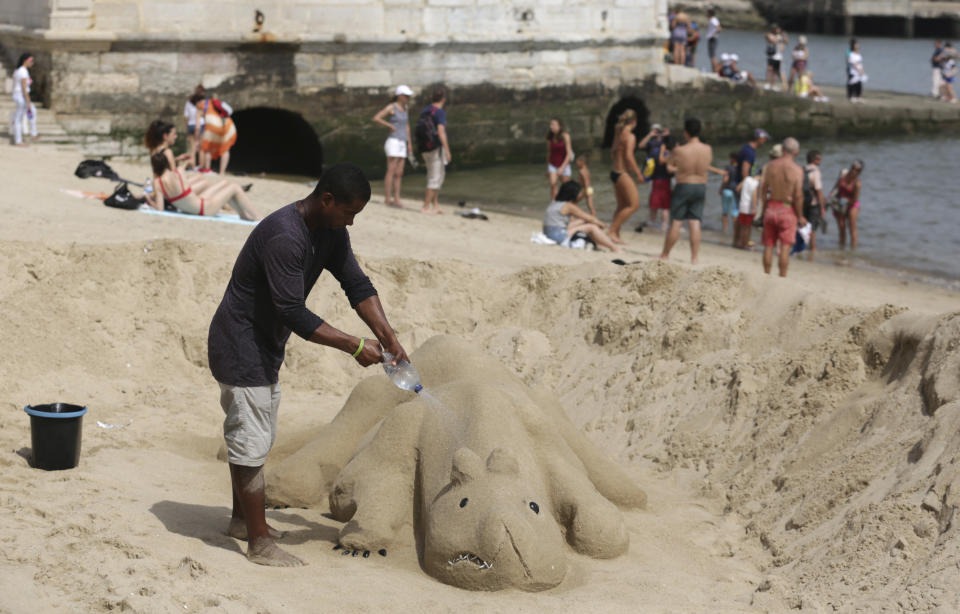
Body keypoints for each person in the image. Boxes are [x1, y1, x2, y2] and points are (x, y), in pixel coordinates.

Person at [207, 163, 408, 566]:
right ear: (327, 199)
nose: (351, 223)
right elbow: (293, 312)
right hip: (240, 343)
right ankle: (260, 543)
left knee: (253, 433)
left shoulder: (332, 232)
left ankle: (242, 521)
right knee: (252, 437)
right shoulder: (285, 236)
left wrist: (387, 335)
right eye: (349, 213)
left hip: (263, 345)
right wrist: (355, 346)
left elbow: (356, 284)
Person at [659, 117, 712, 264]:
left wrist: (678, 168)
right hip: (701, 186)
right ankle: (694, 258)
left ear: (686, 132)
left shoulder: (679, 150)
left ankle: (665, 255)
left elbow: (669, 167)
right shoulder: (707, 149)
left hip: (684, 185)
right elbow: (706, 166)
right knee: (695, 222)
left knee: (676, 221)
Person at [148, 150, 259, 220]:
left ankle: (242, 214)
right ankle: (258, 218)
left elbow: (160, 208)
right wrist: (187, 163)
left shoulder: (158, 182)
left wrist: (150, 201)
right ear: (167, 163)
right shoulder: (178, 172)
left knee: (225, 184)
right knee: (234, 187)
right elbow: (185, 185)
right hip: (204, 209)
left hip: (196, 205)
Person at [759, 138, 806, 277]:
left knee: (768, 244)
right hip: (787, 209)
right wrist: (800, 215)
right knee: (785, 247)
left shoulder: (770, 166)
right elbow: (798, 195)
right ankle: (782, 277)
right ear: (796, 152)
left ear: (783, 149)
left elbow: (763, 189)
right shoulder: (797, 170)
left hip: (771, 206)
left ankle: (766, 275)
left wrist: (764, 207)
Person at [542, 181, 622, 253]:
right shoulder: (569, 206)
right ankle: (614, 248)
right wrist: (603, 225)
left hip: (549, 232)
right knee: (591, 227)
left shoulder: (555, 202)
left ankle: (598, 243)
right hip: (558, 235)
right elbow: (590, 218)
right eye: (580, 193)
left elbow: (580, 219)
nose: (581, 195)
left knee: (583, 221)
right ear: (573, 194)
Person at [373, 85, 414, 208]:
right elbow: (376, 118)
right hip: (393, 141)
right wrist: (389, 126)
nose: (408, 98)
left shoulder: (405, 108)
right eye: (406, 96)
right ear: (400, 95)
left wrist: (409, 143)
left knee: (399, 172)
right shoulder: (391, 107)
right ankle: (387, 199)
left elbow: (407, 126)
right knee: (391, 171)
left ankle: (396, 199)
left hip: (402, 142)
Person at [607, 109, 644, 244]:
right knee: (634, 205)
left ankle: (615, 235)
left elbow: (612, 153)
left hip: (614, 172)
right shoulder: (630, 136)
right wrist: (638, 173)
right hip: (622, 173)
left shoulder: (618, 133)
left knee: (622, 205)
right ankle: (611, 230)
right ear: (634, 122)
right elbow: (629, 156)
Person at [732, 129, 769, 248]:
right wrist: (745, 182)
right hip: (744, 185)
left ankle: (737, 241)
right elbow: (745, 169)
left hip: (742, 183)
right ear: (760, 139)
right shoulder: (750, 151)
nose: (765, 141)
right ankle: (741, 242)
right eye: (764, 139)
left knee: (740, 215)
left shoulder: (747, 148)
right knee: (745, 216)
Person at [419, 86, 450, 215]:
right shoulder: (439, 112)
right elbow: (441, 132)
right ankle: (425, 207)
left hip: (425, 148)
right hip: (435, 148)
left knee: (438, 175)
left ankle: (435, 204)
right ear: (444, 99)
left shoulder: (426, 110)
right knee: (434, 177)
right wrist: (448, 150)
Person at [638, 124, 671, 231]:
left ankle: (664, 225)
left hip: (666, 176)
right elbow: (640, 145)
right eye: (655, 130)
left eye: (658, 130)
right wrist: (649, 135)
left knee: (666, 203)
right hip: (653, 177)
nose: (657, 132)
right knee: (653, 202)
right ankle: (651, 223)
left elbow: (677, 148)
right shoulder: (651, 143)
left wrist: (668, 136)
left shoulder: (666, 142)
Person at [197, 88, 237, 174]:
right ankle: (222, 172)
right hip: (227, 124)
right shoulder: (217, 102)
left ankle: (207, 169)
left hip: (213, 125)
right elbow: (230, 111)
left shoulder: (202, 104)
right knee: (225, 148)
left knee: (208, 148)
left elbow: (198, 124)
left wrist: (197, 137)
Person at [830, 159, 864, 249]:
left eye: (856, 170)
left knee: (852, 228)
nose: (853, 171)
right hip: (839, 204)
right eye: (852, 168)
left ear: (859, 172)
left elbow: (854, 199)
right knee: (841, 227)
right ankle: (841, 249)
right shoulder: (843, 176)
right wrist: (829, 198)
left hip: (852, 205)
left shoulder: (857, 184)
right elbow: (834, 189)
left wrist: (844, 201)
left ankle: (852, 251)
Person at [802, 150, 825, 259]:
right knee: (813, 227)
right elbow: (819, 190)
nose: (820, 161)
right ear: (813, 159)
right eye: (818, 159)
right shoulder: (816, 171)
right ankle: (812, 248)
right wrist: (822, 207)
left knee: (803, 224)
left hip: (802, 201)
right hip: (813, 202)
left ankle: (801, 246)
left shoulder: (803, 169)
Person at [10, 53, 36, 147]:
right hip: (21, 96)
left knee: (26, 114)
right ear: (25, 60)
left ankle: (32, 133)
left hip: (18, 95)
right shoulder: (23, 72)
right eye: (31, 61)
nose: (32, 63)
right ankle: (18, 140)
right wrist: (28, 101)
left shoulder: (18, 70)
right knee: (19, 119)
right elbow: (24, 88)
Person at [545, 118, 574, 200]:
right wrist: (547, 168)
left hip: (564, 164)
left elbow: (569, 154)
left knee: (566, 188)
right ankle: (553, 207)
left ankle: (567, 207)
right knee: (553, 185)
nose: (551, 127)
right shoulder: (549, 137)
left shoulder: (566, 136)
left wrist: (562, 168)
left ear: (560, 126)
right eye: (550, 125)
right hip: (553, 165)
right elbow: (549, 153)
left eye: (553, 125)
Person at [184, 89, 204, 169]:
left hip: (190, 125)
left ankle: (193, 166)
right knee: (201, 148)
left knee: (193, 148)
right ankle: (201, 166)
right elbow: (198, 123)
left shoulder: (188, 103)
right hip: (199, 126)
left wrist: (188, 126)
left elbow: (186, 116)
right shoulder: (200, 106)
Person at [764, 25, 788, 91]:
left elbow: (786, 42)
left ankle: (773, 85)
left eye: (778, 29)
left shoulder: (780, 36)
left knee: (775, 71)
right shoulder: (770, 34)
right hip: (771, 56)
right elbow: (772, 40)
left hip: (778, 57)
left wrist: (784, 36)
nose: (778, 30)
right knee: (769, 70)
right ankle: (767, 84)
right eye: (776, 29)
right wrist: (780, 39)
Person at [720, 151, 739, 234]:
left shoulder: (728, 168)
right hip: (735, 191)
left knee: (725, 211)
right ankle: (735, 230)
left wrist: (720, 189)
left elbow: (725, 180)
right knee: (735, 211)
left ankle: (724, 230)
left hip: (727, 190)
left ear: (732, 158)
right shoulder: (739, 168)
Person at [705, 9, 722, 73]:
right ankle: (714, 71)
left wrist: (713, 35)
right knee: (711, 56)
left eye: (707, 13)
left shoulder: (713, 20)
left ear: (709, 13)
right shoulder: (713, 20)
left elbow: (719, 28)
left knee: (712, 56)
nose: (706, 14)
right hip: (712, 39)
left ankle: (715, 71)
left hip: (712, 39)